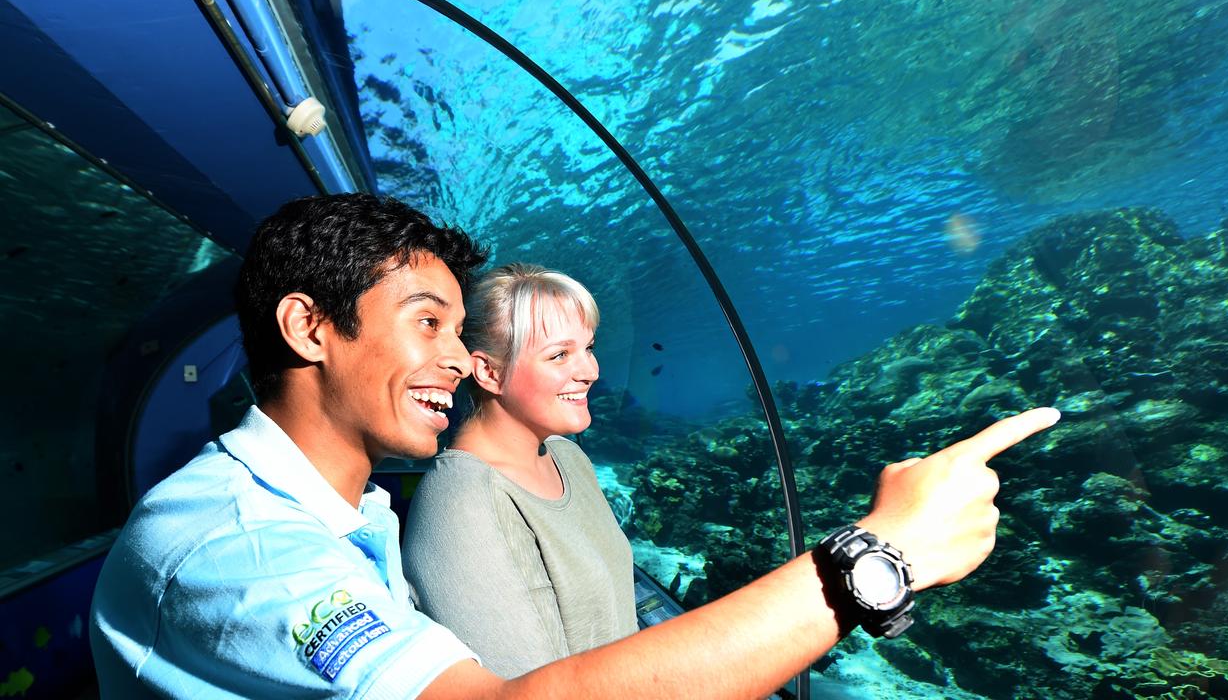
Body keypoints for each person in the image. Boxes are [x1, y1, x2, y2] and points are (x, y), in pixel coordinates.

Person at [90, 192, 1061, 700]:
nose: (456, 356)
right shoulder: (245, 546)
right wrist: (874, 563)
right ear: (310, 329)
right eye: (426, 323)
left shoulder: (348, 509)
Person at [403, 264, 633, 678]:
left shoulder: (568, 457)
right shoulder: (461, 504)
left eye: (589, 348)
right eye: (560, 354)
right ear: (489, 372)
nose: (591, 372)